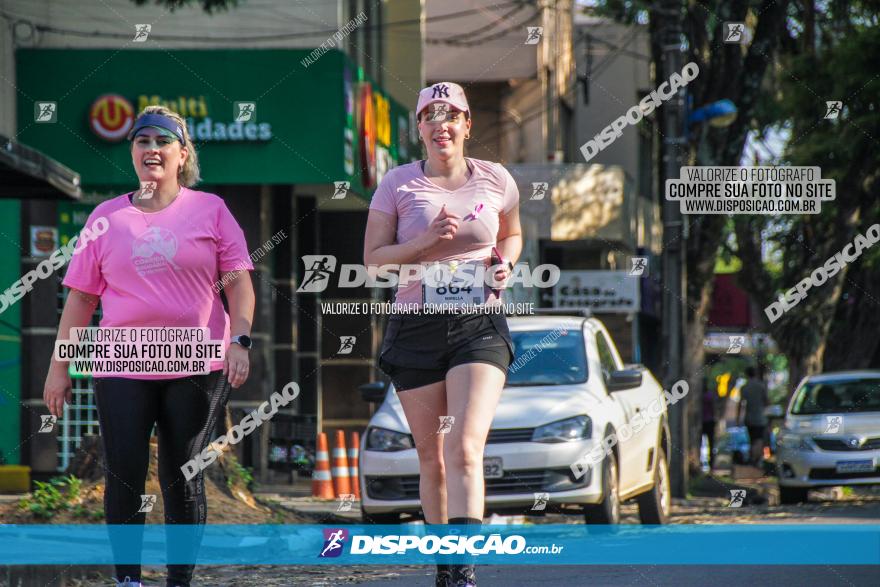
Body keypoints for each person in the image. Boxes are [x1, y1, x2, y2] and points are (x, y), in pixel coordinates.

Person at [42, 106, 256, 587]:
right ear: (133, 152)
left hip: (195, 358)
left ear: (183, 154)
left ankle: (179, 580)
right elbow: (80, 300)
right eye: (142, 141)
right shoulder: (105, 217)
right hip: (124, 358)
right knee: (125, 471)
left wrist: (240, 339)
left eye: (163, 141)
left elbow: (239, 285)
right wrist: (60, 367)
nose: (152, 149)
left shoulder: (211, 210)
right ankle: (128, 580)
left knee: (182, 470)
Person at [364, 82, 522, 587]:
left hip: (478, 325)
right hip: (415, 325)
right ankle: (445, 567)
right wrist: (426, 241)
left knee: (464, 448)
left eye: (450, 114)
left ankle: (464, 572)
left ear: (467, 124)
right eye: (430, 116)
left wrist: (506, 263)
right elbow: (372, 262)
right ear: (420, 129)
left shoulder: (496, 179)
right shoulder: (397, 184)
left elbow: (513, 232)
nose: (441, 124)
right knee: (430, 457)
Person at [737, 366, 768, 467]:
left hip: (749, 418)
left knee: (752, 439)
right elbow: (767, 401)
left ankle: (753, 458)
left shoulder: (744, 387)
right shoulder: (761, 386)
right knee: (758, 439)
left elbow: (740, 404)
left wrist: (738, 418)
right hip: (760, 418)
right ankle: (756, 459)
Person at [702, 380, 718, 471]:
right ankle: (711, 465)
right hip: (709, 421)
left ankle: (706, 464)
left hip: (703, 422)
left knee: (704, 444)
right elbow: (713, 408)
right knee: (711, 443)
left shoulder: (700, 396)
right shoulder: (709, 395)